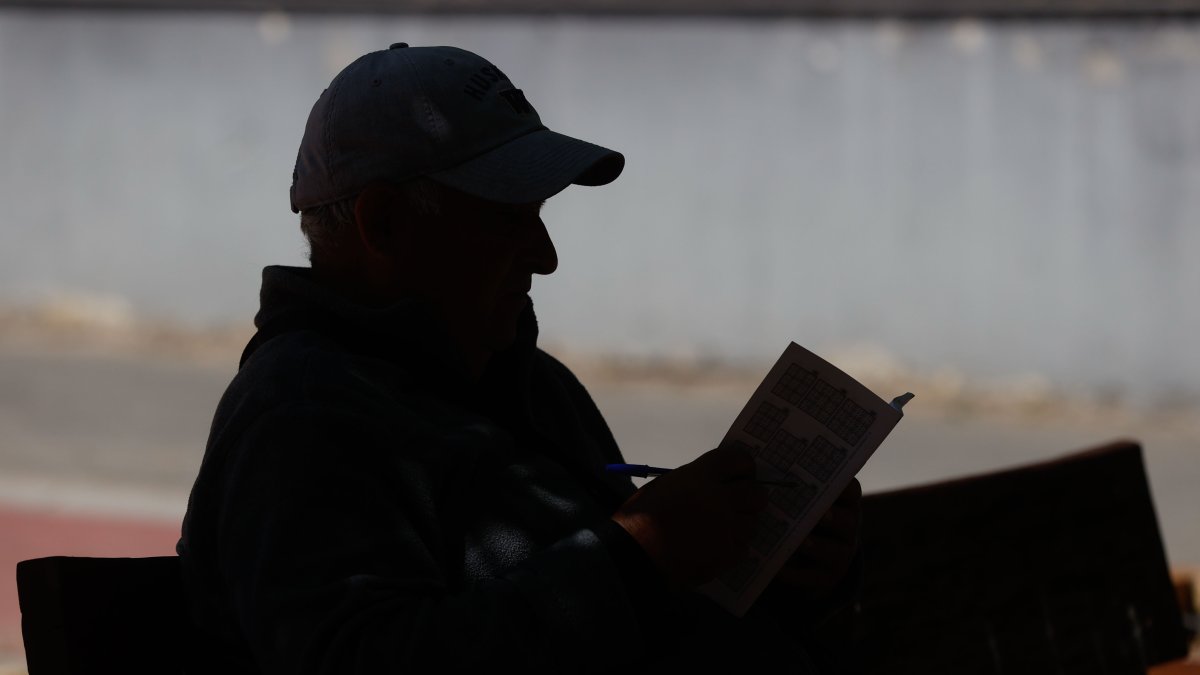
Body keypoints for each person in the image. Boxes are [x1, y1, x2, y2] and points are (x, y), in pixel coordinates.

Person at [177, 43, 862, 674]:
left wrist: (782, 574)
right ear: (384, 224)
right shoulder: (299, 417)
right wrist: (638, 557)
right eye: (508, 217)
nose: (546, 256)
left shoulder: (530, 380)